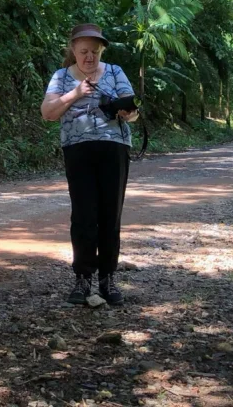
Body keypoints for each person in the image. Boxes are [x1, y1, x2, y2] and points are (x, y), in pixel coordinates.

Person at [40, 23, 139, 306]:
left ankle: (108, 279)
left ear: (101, 51)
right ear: (73, 50)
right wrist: (76, 93)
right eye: (83, 51)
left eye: (95, 52)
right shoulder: (61, 77)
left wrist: (127, 112)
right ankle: (83, 280)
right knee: (83, 215)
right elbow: (47, 112)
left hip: (114, 148)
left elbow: (133, 113)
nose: (89, 57)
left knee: (111, 214)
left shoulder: (115, 72)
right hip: (78, 150)